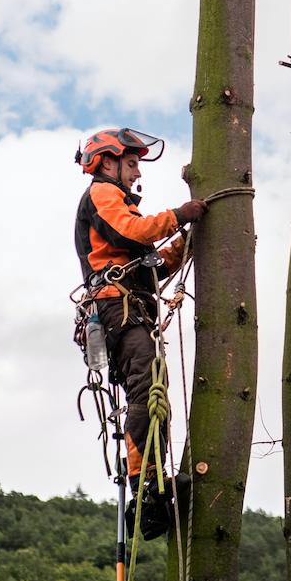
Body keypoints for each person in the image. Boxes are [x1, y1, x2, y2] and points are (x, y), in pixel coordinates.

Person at [73, 127, 205, 532]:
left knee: (151, 390)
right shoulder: (102, 194)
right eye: (130, 164)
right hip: (118, 308)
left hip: (132, 307)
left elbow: (150, 267)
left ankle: (151, 480)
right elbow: (133, 231)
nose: (136, 173)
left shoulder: (119, 204)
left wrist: (182, 246)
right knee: (146, 389)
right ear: (107, 162)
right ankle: (146, 484)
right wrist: (178, 217)